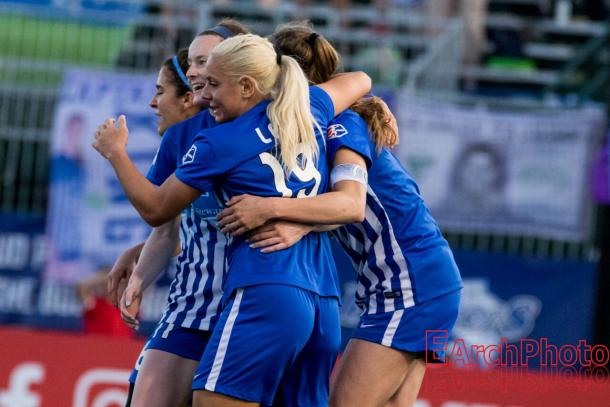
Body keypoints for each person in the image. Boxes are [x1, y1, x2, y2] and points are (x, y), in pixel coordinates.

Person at [93, 34, 371, 407]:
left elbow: (157, 209)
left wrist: (116, 153)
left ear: (246, 84)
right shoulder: (309, 107)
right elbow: (361, 80)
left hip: (263, 290)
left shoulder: (220, 141)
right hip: (322, 301)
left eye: (212, 83)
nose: (204, 96)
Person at [216, 23, 463, 407]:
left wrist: (274, 209)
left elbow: (350, 204)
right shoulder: (325, 124)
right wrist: (304, 220)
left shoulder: (340, 126)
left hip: (412, 284)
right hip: (426, 282)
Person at [107, 20, 251, 407]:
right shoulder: (183, 140)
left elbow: (157, 212)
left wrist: (117, 155)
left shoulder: (272, 127)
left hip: (251, 314)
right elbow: (170, 225)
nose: (154, 103)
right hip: (195, 311)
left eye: (203, 62)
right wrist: (139, 270)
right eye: (192, 63)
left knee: (431, 365)